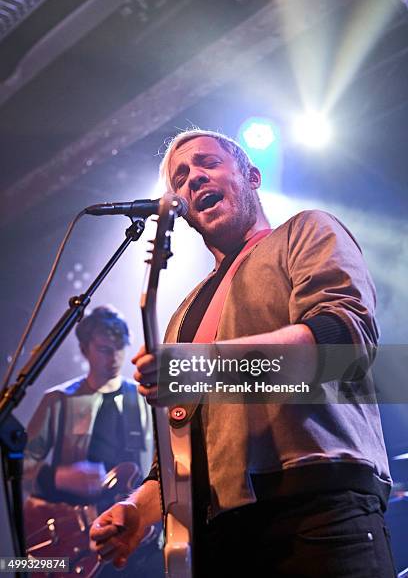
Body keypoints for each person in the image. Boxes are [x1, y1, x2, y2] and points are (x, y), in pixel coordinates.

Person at [90, 130, 396, 577]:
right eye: (180, 177)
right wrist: (138, 510)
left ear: (251, 176)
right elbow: (175, 456)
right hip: (221, 540)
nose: (193, 178)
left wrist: (202, 367)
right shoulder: (182, 316)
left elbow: (343, 343)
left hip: (317, 514)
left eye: (207, 163)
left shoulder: (305, 232)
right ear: (183, 211)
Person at [24, 305, 163, 577]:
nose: (114, 357)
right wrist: (57, 477)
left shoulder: (148, 398)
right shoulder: (59, 399)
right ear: (85, 349)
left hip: (137, 535)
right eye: (104, 349)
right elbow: (17, 466)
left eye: (120, 347)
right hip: (74, 536)